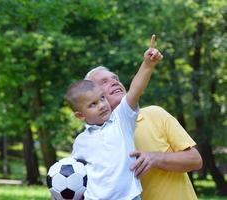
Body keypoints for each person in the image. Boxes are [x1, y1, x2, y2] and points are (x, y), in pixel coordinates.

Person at [85, 41, 202, 199]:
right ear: (91, 97)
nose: (114, 81)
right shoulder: (90, 141)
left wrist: (155, 158)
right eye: (104, 82)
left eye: (115, 78)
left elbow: (195, 160)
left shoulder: (154, 114)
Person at [66, 35, 163, 200]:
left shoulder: (121, 120)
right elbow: (75, 175)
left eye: (102, 98)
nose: (102, 105)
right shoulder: (80, 142)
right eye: (93, 104)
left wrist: (147, 65)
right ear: (80, 115)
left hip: (129, 197)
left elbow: (135, 90)